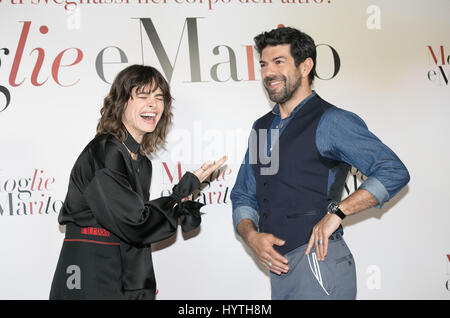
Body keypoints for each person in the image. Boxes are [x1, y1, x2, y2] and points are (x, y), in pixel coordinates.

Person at [230, 27, 410, 300]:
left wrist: (338, 213)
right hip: (281, 271)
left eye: (279, 62)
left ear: (306, 66)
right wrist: (251, 236)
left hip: (319, 262)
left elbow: (393, 171)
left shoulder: (332, 121)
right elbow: (244, 193)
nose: (268, 73)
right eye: (264, 64)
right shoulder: (263, 128)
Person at [49, 64, 226, 300]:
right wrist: (177, 195)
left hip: (120, 273)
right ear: (121, 103)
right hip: (89, 273)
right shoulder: (105, 150)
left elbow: (135, 231)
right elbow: (135, 224)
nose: (153, 104)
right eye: (143, 96)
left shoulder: (143, 162)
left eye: (159, 98)